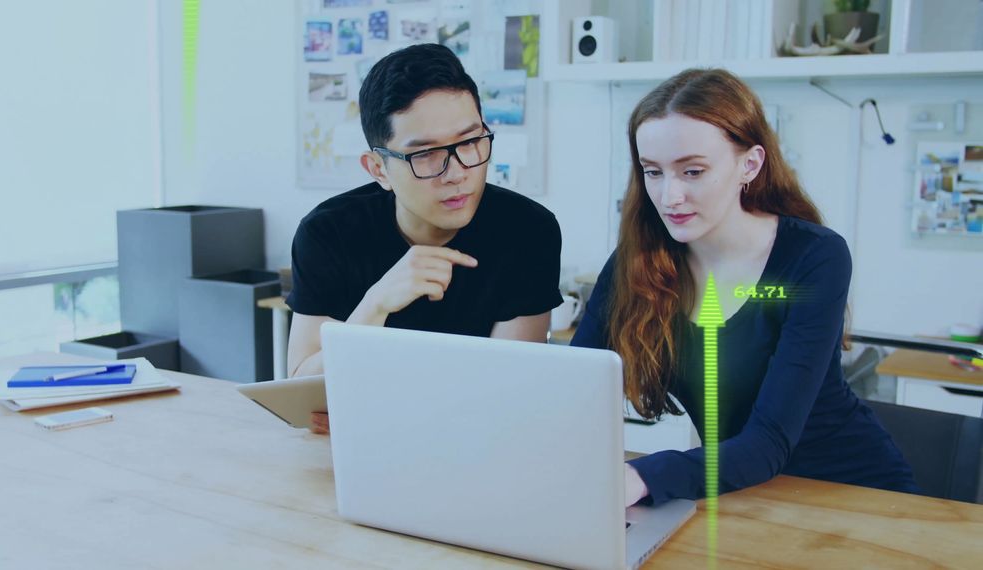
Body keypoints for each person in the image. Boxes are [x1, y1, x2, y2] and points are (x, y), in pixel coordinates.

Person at [571, 68, 918, 506]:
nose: (669, 195)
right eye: (652, 172)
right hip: (741, 492)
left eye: (692, 171)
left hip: (853, 494)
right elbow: (574, 386)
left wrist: (640, 475)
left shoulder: (814, 258)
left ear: (749, 164)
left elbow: (769, 440)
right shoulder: (637, 262)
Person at [287, 44, 562, 433]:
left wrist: (372, 407)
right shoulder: (328, 232)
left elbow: (509, 397)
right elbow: (303, 395)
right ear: (378, 169)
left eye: (470, 141)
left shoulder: (528, 231)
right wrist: (375, 304)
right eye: (426, 154)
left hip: (476, 454)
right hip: (350, 461)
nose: (457, 172)